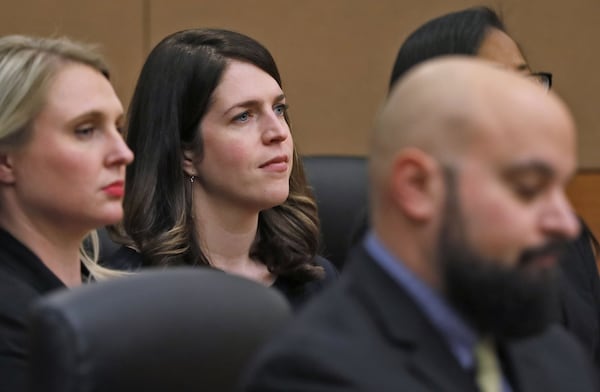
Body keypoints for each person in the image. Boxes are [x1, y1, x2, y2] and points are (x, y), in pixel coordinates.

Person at [241, 57, 598, 391]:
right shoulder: (312, 373)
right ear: (417, 187)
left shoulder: (556, 354)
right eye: (529, 188)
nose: (566, 224)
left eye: (560, 189)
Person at [349, 6, 600, 366]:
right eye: (500, 87)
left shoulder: (565, 233)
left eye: (528, 80)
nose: (527, 101)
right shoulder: (402, 241)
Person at [105, 28, 336, 309]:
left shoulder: (316, 281)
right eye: (243, 116)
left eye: (279, 109)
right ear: (185, 152)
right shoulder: (125, 295)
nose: (278, 132)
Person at [0, 35, 134, 390]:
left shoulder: (118, 295)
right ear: (5, 160)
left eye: (117, 129)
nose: (123, 153)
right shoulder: (12, 321)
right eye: (86, 130)